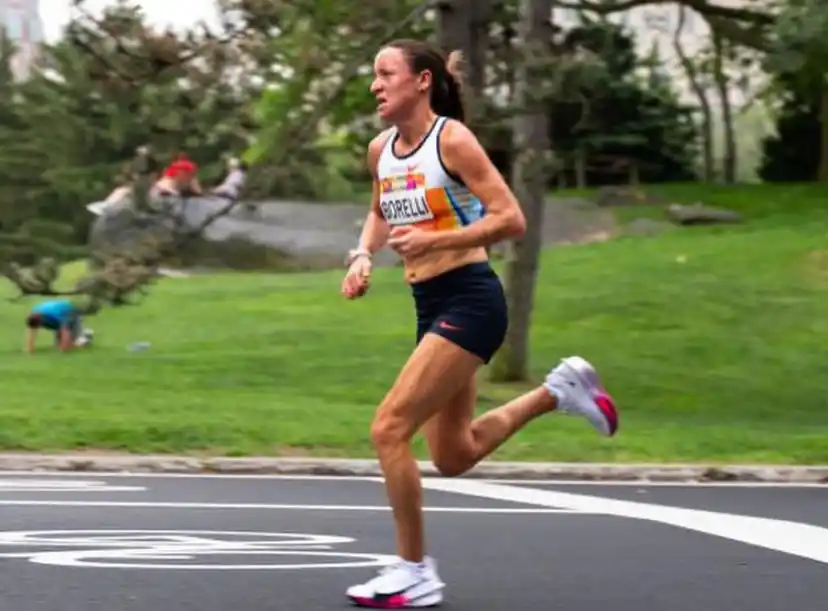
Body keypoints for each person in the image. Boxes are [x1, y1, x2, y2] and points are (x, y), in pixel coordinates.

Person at [340, 39, 620, 608]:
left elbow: (510, 217)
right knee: (454, 455)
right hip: (430, 305)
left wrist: (439, 239)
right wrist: (363, 254)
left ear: (421, 81)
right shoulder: (380, 150)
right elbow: (378, 209)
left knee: (389, 428)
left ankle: (414, 570)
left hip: (470, 300)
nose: (375, 85)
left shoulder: (453, 140)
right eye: (374, 75)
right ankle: (556, 390)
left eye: (385, 73)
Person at [25, 299, 91, 353]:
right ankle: (80, 335)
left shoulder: (55, 315)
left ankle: (85, 336)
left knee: (73, 344)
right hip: (57, 313)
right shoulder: (34, 314)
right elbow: (31, 331)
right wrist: (30, 349)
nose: (39, 328)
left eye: (39, 326)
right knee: (59, 344)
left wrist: (62, 350)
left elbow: (65, 330)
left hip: (71, 312)